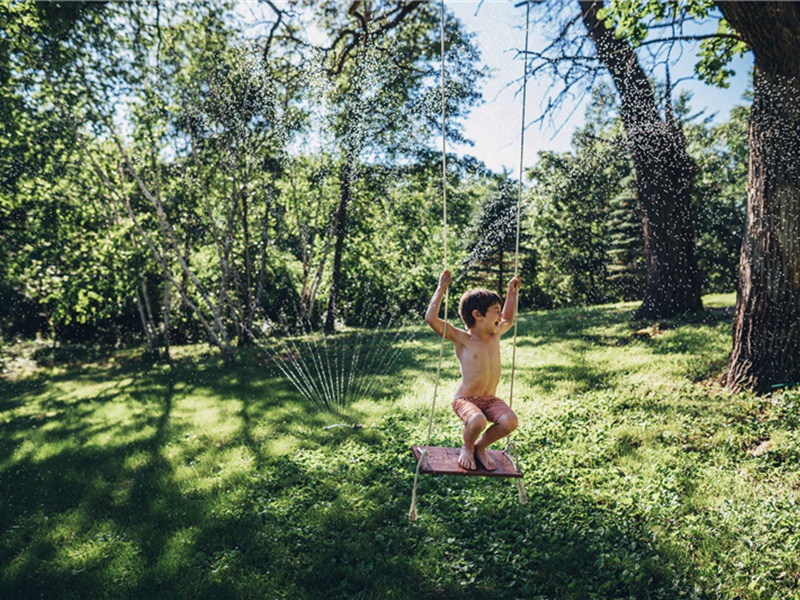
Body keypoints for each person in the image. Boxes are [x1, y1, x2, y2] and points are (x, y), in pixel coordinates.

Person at [424, 269, 520, 471]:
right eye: (496, 310)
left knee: (510, 421)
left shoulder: (495, 334)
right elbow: (431, 319)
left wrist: (511, 293)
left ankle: (480, 446)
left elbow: (509, 319)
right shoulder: (463, 339)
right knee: (477, 420)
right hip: (465, 399)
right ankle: (467, 447)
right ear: (478, 315)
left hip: (490, 399)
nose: (500, 315)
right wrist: (441, 288)